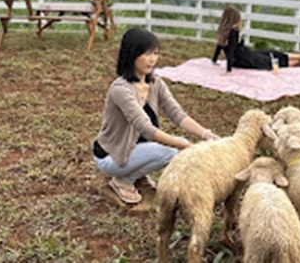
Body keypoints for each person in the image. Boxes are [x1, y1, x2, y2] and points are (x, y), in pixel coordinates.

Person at [93, 27, 220, 205]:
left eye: (155, 53)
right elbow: (146, 128)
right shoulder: (120, 89)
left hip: (134, 149)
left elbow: (177, 114)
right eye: (146, 53)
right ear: (131, 54)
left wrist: (205, 134)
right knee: (170, 151)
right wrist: (187, 146)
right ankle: (122, 180)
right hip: (111, 155)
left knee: (175, 145)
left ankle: (135, 174)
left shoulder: (155, 83)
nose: (152, 59)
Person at [212, 6, 300, 73]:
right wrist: (229, 70)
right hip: (246, 60)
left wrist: (214, 60)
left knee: (270, 52)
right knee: (271, 62)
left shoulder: (222, 32)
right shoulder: (233, 33)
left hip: (247, 55)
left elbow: (218, 48)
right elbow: (230, 52)